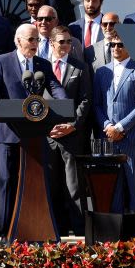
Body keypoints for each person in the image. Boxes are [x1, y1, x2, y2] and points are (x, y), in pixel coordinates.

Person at [0, 23, 67, 236]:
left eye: (37, 39)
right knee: (8, 181)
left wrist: (66, 105)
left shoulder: (42, 64)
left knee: (36, 180)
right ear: (18, 41)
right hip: (9, 132)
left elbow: (55, 87)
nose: (35, 44)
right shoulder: (3, 61)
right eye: (31, 40)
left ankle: (35, 227)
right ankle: (5, 230)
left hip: (35, 136)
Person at [94, 32, 135, 213]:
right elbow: (97, 104)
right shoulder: (102, 71)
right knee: (113, 186)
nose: (116, 48)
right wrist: (108, 126)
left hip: (131, 137)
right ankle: (114, 232)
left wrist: (120, 127)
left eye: (120, 44)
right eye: (112, 45)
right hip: (108, 138)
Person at [46, 26, 91, 234]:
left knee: (74, 186)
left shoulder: (80, 67)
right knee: (52, 186)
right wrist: (47, 128)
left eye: (68, 42)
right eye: (61, 42)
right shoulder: (41, 67)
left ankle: (79, 229)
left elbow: (85, 100)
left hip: (71, 135)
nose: (65, 46)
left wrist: (72, 126)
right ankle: (57, 228)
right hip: (48, 136)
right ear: (52, 43)